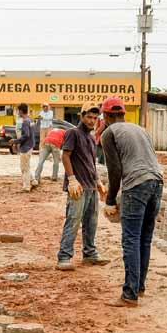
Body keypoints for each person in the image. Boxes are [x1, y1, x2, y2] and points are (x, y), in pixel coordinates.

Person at [100, 96, 163, 307]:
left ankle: (129, 294)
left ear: (106, 116)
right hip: (156, 183)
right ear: (124, 113)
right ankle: (140, 286)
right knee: (144, 238)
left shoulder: (109, 133)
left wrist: (110, 200)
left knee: (131, 239)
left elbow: (115, 170)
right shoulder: (140, 129)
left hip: (136, 186)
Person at [56, 102, 109, 271]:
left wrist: (98, 182)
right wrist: (72, 179)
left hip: (90, 186)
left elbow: (90, 163)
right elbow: (65, 156)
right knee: (73, 221)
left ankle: (90, 254)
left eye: (95, 118)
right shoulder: (73, 133)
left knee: (91, 222)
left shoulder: (91, 137)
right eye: (89, 117)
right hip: (77, 187)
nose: (92, 120)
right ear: (81, 116)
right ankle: (64, 257)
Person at [14, 102, 36, 192]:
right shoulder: (29, 120)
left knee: (24, 168)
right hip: (29, 146)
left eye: (18, 110)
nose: (17, 112)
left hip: (25, 147)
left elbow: (26, 135)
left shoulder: (25, 121)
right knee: (26, 165)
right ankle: (33, 181)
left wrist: (15, 141)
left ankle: (26, 187)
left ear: (21, 111)